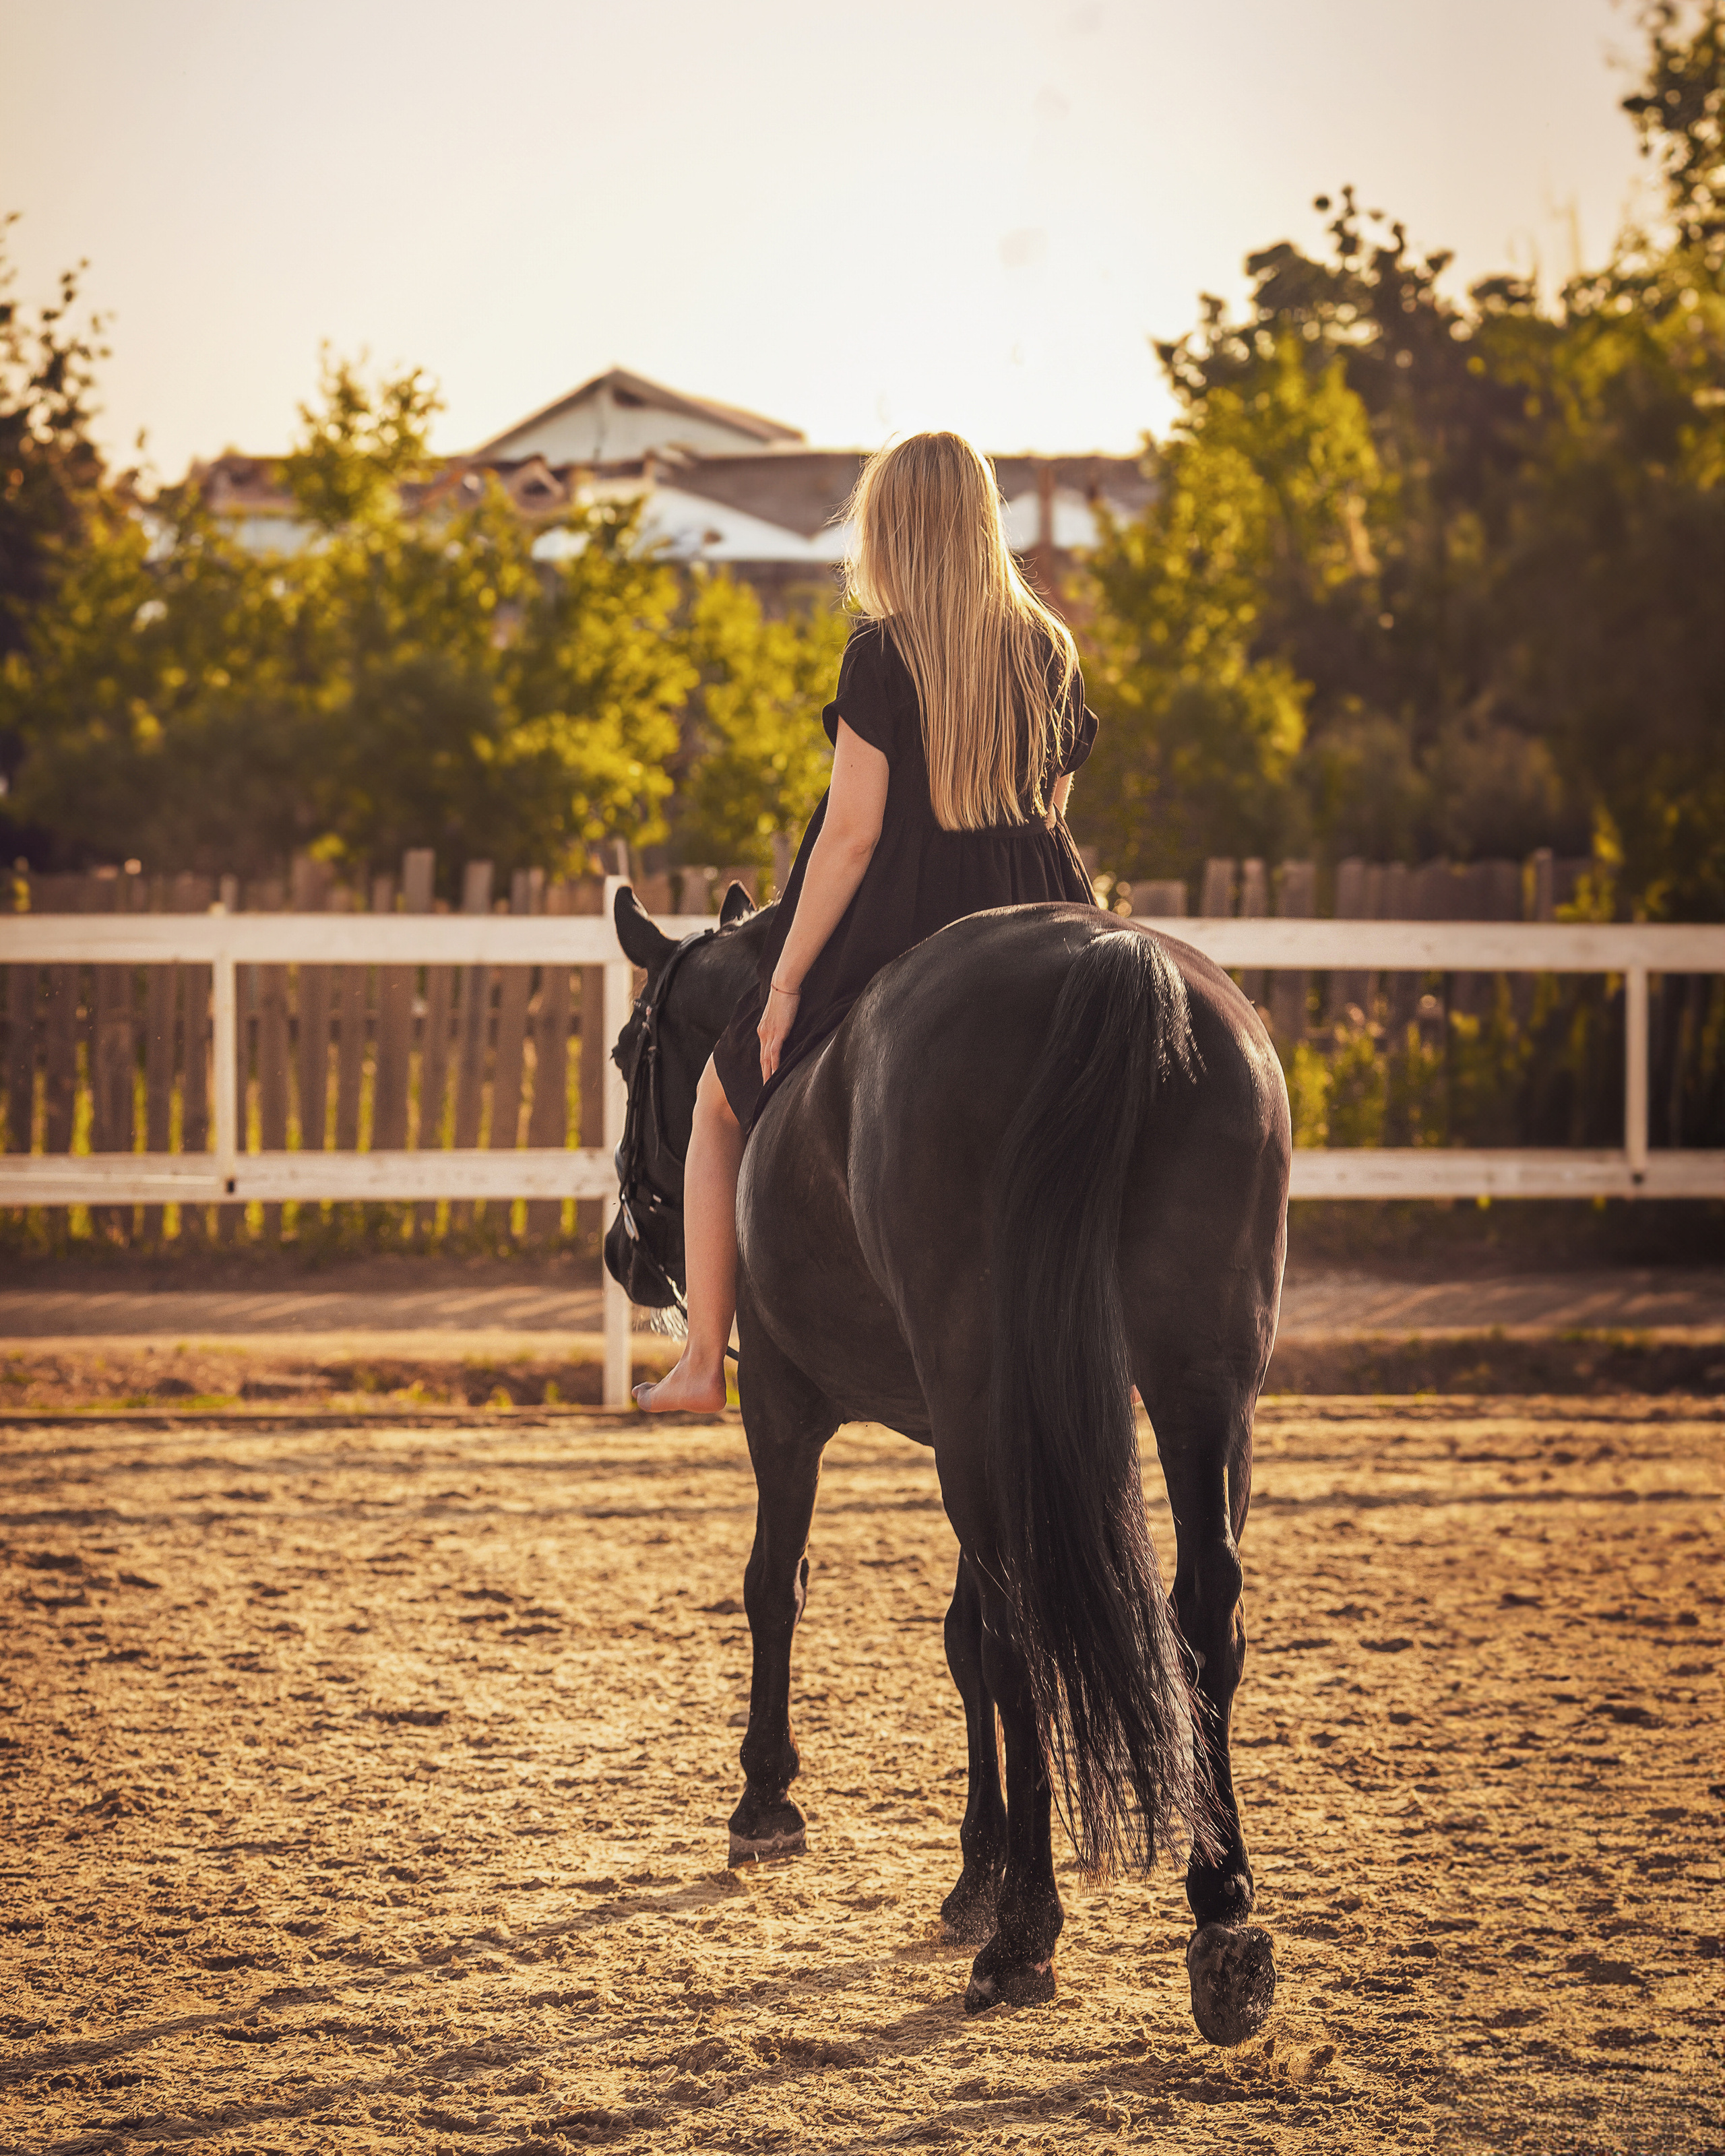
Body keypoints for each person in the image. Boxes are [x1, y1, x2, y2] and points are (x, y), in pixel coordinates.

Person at [633, 431, 1100, 1413]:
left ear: (891, 529)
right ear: (982, 525)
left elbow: (851, 837)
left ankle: (702, 1363)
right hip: (1040, 906)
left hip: (908, 917)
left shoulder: (881, 655)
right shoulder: (1049, 650)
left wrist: (786, 986)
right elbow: (1052, 812)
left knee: (721, 1104)